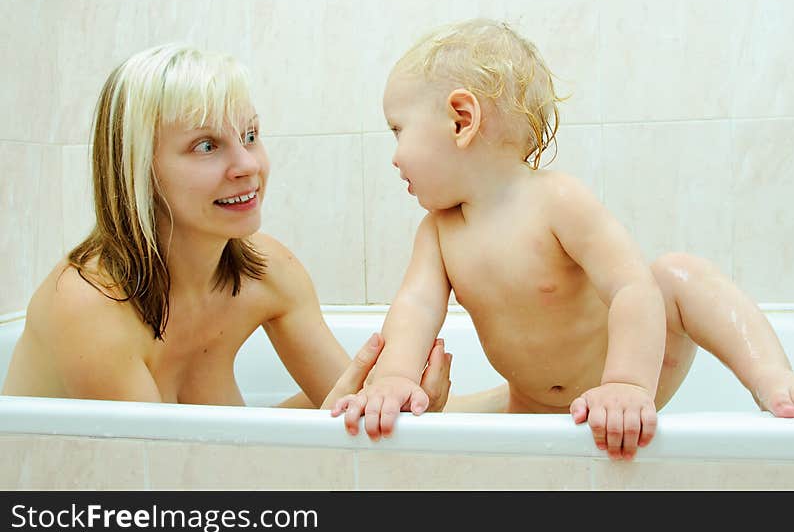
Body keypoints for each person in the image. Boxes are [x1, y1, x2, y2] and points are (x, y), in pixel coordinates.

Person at [332, 18, 794, 460]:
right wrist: (397, 375)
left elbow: (630, 288)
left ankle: (772, 377)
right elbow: (416, 307)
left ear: (461, 120)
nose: (395, 156)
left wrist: (625, 383)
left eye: (398, 131)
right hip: (531, 404)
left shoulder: (557, 201)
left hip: (626, 379)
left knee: (676, 273)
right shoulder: (439, 232)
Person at [1, 43, 454, 411]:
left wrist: (504, 397)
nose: (247, 165)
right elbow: (166, 494)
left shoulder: (267, 271)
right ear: (136, 171)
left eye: (250, 136)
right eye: (205, 145)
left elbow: (346, 404)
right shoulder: (88, 305)